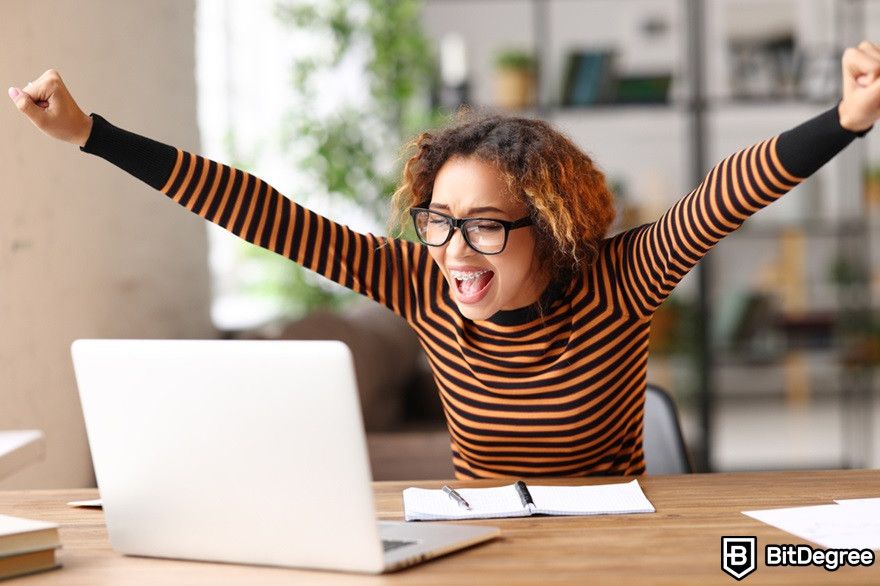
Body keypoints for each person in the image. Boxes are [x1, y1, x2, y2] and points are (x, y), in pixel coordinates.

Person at [8, 42, 880, 479]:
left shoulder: (621, 278)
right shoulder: (421, 279)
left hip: (620, 542)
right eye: (438, 220)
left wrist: (843, 122)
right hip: (478, 544)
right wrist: (89, 135)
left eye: (486, 226)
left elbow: (727, 193)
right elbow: (260, 211)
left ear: (552, 225)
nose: (456, 252)